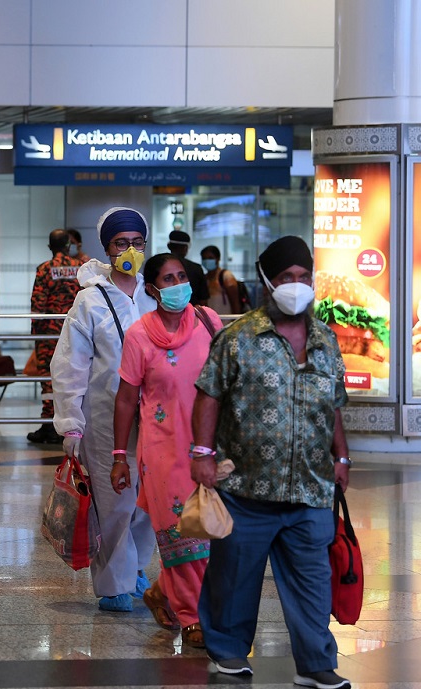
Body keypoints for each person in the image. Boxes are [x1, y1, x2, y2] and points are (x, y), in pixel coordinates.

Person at [191, 236, 351, 689]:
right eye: (286, 278)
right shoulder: (238, 338)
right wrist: (202, 453)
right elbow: (208, 395)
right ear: (266, 281)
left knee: (312, 583)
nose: (296, 286)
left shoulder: (326, 340)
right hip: (246, 487)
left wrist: (342, 455)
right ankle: (227, 651)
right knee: (234, 577)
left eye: (303, 277)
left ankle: (316, 663)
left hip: (310, 489)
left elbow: (333, 404)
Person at [112, 253, 222, 649]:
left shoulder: (209, 321)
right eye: (168, 279)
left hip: (207, 447)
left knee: (208, 532)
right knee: (181, 534)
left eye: (182, 276)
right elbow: (126, 400)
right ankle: (192, 616)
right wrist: (119, 456)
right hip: (161, 451)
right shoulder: (140, 335)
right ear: (152, 289)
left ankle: (162, 592)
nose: (178, 284)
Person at [52, 207, 158, 612]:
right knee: (115, 503)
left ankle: (135, 567)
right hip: (104, 418)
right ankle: (115, 584)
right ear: (107, 248)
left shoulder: (156, 293)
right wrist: (70, 425)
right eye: (121, 243)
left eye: (137, 242)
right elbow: (70, 365)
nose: (130, 249)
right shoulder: (89, 301)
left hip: (154, 418)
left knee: (150, 500)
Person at [28, 229, 81, 444]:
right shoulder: (79, 268)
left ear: (50, 247)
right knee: (73, 377)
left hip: (50, 334)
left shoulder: (45, 269)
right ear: (69, 245)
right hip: (75, 333)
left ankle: (50, 425)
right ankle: (71, 424)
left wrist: (35, 334)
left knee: (48, 379)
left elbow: (38, 304)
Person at [167, 230, 209, 307]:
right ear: (186, 248)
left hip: (164, 315)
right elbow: (203, 301)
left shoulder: (159, 266)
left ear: (168, 246)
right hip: (192, 315)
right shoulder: (196, 269)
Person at [200, 245, 243, 315]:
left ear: (218, 258)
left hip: (226, 321)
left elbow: (235, 303)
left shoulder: (226, 276)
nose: (207, 261)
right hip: (210, 323)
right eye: (204, 258)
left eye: (210, 258)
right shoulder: (203, 278)